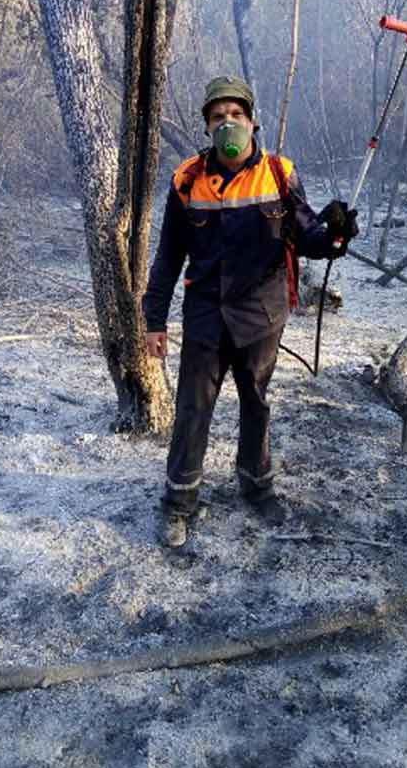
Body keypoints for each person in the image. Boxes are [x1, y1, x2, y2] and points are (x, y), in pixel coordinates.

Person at [142, 75, 358, 547]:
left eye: (236, 115)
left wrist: (338, 232)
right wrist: (153, 319)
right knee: (193, 409)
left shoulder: (279, 174)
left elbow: (309, 238)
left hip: (262, 313)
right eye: (218, 117)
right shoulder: (186, 180)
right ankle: (179, 502)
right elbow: (168, 255)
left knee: (256, 403)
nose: (228, 123)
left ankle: (256, 488)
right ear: (206, 126)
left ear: (252, 121)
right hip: (205, 312)